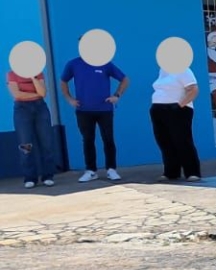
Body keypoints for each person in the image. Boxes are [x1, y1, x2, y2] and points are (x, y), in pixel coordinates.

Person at [60, 52, 128, 182]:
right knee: (88, 140)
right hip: (83, 110)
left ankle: (111, 169)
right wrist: (69, 99)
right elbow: (63, 81)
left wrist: (117, 95)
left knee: (108, 139)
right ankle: (91, 171)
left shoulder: (104, 63)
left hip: (104, 110)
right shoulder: (73, 64)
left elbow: (125, 79)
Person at [149, 61, 202, 182]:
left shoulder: (183, 70)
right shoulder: (163, 72)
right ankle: (171, 172)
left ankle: (192, 172)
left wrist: (179, 105)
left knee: (182, 140)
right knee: (165, 142)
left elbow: (193, 89)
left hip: (177, 110)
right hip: (158, 109)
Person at [7, 65, 56, 188]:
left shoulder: (38, 74)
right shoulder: (12, 74)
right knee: (25, 144)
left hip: (40, 108)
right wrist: (35, 94)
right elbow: (17, 94)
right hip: (22, 109)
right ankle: (30, 177)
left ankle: (48, 176)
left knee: (46, 143)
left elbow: (43, 93)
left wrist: (33, 78)